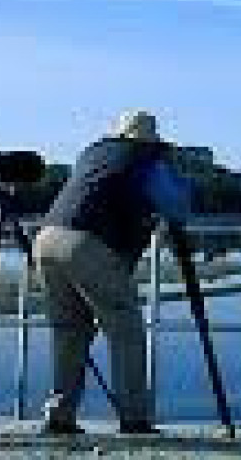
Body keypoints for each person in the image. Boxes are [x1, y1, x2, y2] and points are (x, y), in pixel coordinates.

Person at [35, 110, 195, 435]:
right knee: (126, 332)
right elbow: (177, 206)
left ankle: (59, 415)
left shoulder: (94, 155)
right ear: (150, 140)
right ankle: (134, 419)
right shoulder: (144, 158)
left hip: (47, 237)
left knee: (69, 331)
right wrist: (181, 181)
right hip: (88, 243)